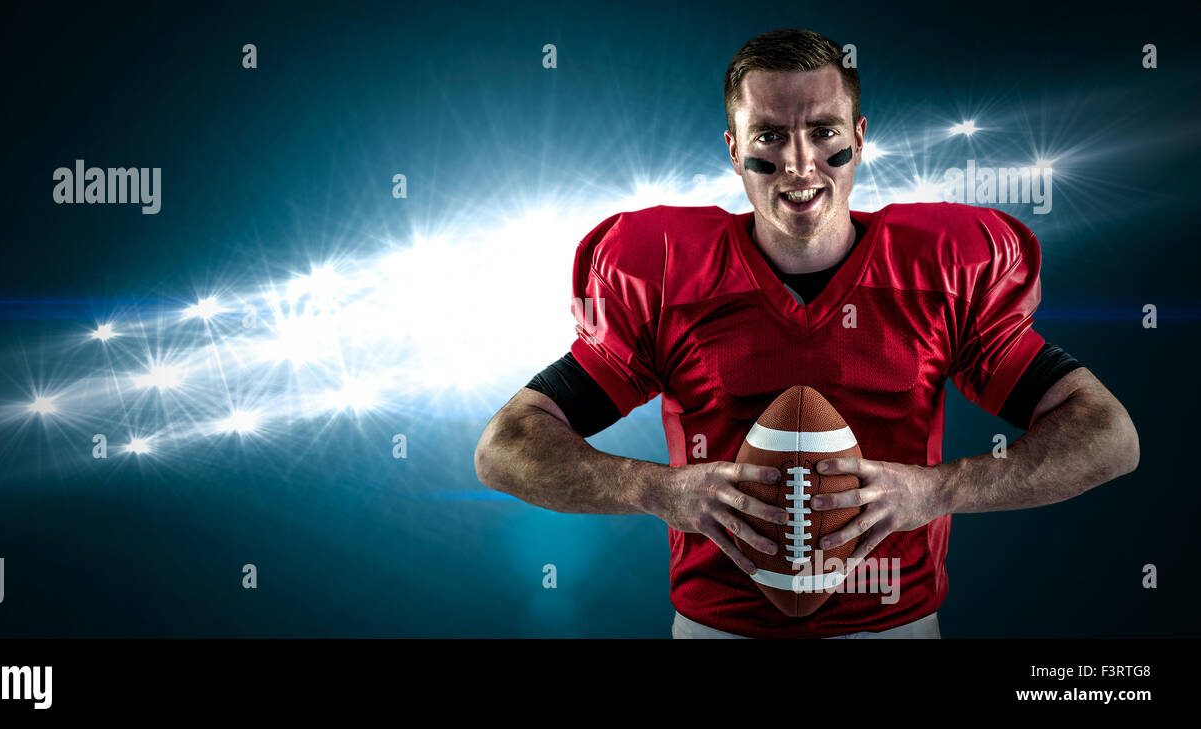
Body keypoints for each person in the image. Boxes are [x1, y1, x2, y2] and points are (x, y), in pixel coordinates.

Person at [473, 28, 1139, 638]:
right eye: (768, 135)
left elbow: (1109, 434)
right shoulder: (668, 276)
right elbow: (505, 444)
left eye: (823, 130)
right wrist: (655, 489)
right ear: (733, 149)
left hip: (896, 624)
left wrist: (938, 490)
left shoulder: (939, 272)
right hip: (718, 628)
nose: (799, 163)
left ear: (860, 136)